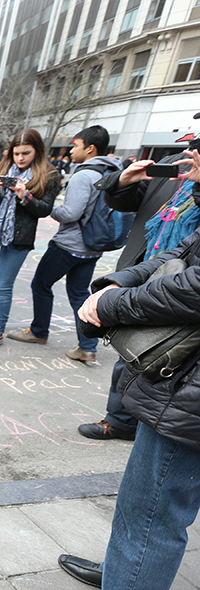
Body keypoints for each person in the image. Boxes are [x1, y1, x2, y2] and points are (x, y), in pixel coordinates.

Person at [43, 148, 200, 590]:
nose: (190, 152)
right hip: (184, 381)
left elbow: (195, 286)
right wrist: (120, 279)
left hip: (192, 390)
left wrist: (111, 303)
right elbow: (175, 257)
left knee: (157, 501)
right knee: (145, 493)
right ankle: (122, 576)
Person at [77, 119, 200, 441]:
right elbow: (126, 203)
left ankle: (139, 423)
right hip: (146, 265)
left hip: (178, 284)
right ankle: (121, 420)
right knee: (129, 349)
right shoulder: (175, 165)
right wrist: (122, 182)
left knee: (159, 353)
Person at [6, 126, 121, 362]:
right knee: (79, 293)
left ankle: (38, 332)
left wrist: (50, 210)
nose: (71, 151)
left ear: (90, 148)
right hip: (94, 246)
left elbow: (70, 213)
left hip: (69, 245)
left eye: (75, 145)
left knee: (41, 284)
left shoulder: (83, 175)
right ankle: (87, 346)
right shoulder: (112, 171)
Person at [0, 129, 60, 349]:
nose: (21, 158)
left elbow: (45, 210)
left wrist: (25, 196)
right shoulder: (2, 169)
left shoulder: (48, 175)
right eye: (16, 153)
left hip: (18, 240)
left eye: (26, 153)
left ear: (37, 151)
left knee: (4, 286)